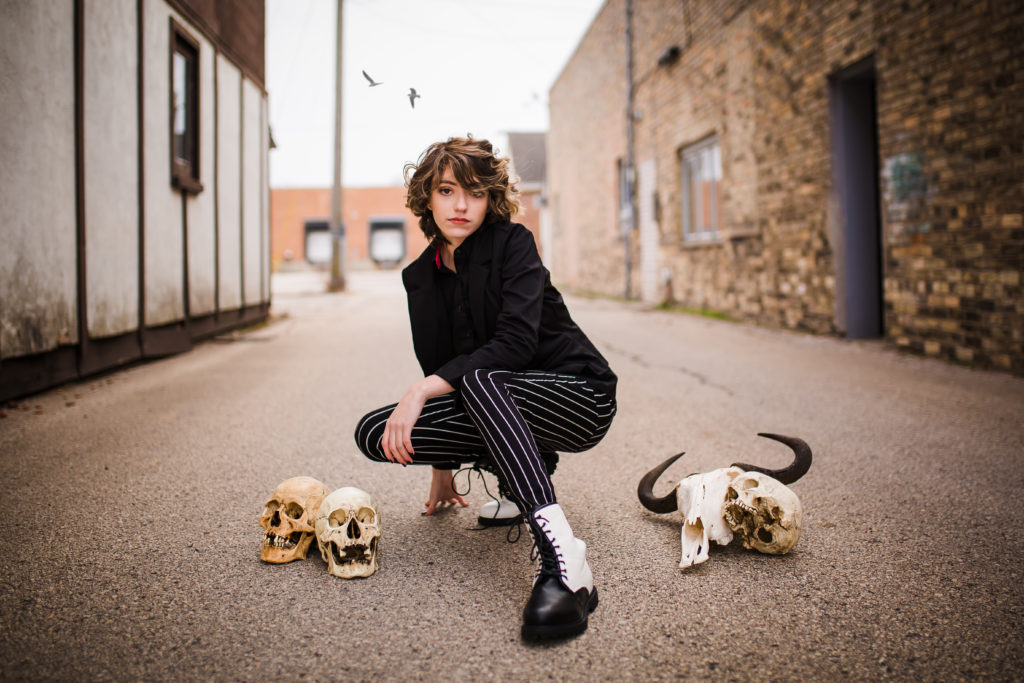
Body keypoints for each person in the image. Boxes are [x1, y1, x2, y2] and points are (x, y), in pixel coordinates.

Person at [354, 136, 617, 640]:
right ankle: (524, 481)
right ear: (426, 198)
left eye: (474, 192)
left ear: (490, 198)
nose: (460, 205)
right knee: (375, 431)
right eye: (447, 190)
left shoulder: (513, 244)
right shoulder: (421, 278)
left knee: (478, 376)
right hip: (503, 402)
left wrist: (417, 392)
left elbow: (514, 345)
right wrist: (441, 470)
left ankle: (565, 561)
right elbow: (442, 366)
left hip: (579, 397)